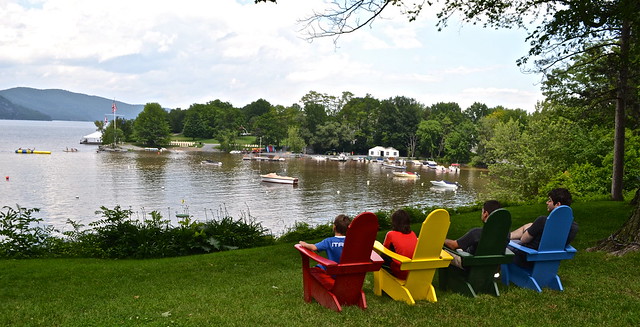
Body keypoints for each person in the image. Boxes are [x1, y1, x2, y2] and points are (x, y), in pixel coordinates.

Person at [509, 188, 579, 267]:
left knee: (503, 246)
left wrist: (527, 229)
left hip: (528, 258)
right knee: (529, 225)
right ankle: (507, 236)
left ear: (558, 204)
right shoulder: (573, 227)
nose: (547, 202)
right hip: (550, 263)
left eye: (549, 200)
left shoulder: (542, 221)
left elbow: (524, 240)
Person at [444, 200, 502, 268]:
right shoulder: (505, 234)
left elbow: (453, 245)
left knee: (444, 250)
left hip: (470, 264)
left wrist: (441, 239)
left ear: (485, 213)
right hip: (491, 267)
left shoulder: (477, 233)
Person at [380, 209, 418, 279]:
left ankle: (382, 285)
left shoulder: (391, 234)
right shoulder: (413, 234)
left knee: (381, 260)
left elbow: (384, 251)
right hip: (414, 270)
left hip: (401, 271)